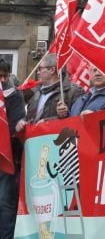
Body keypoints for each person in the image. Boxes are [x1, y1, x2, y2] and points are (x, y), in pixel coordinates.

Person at [15, 53, 83, 131]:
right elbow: (30, 117)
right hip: (34, 140)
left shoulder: (74, 91)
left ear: (52, 70)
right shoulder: (35, 91)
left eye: (40, 69)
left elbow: (77, 120)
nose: (38, 72)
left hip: (56, 140)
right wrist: (22, 121)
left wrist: (49, 121)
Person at [0, 62, 24, 239]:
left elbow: (15, 125)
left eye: (4, 76)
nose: (2, 79)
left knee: (5, 202)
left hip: (7, 157)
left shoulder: (14, 96)